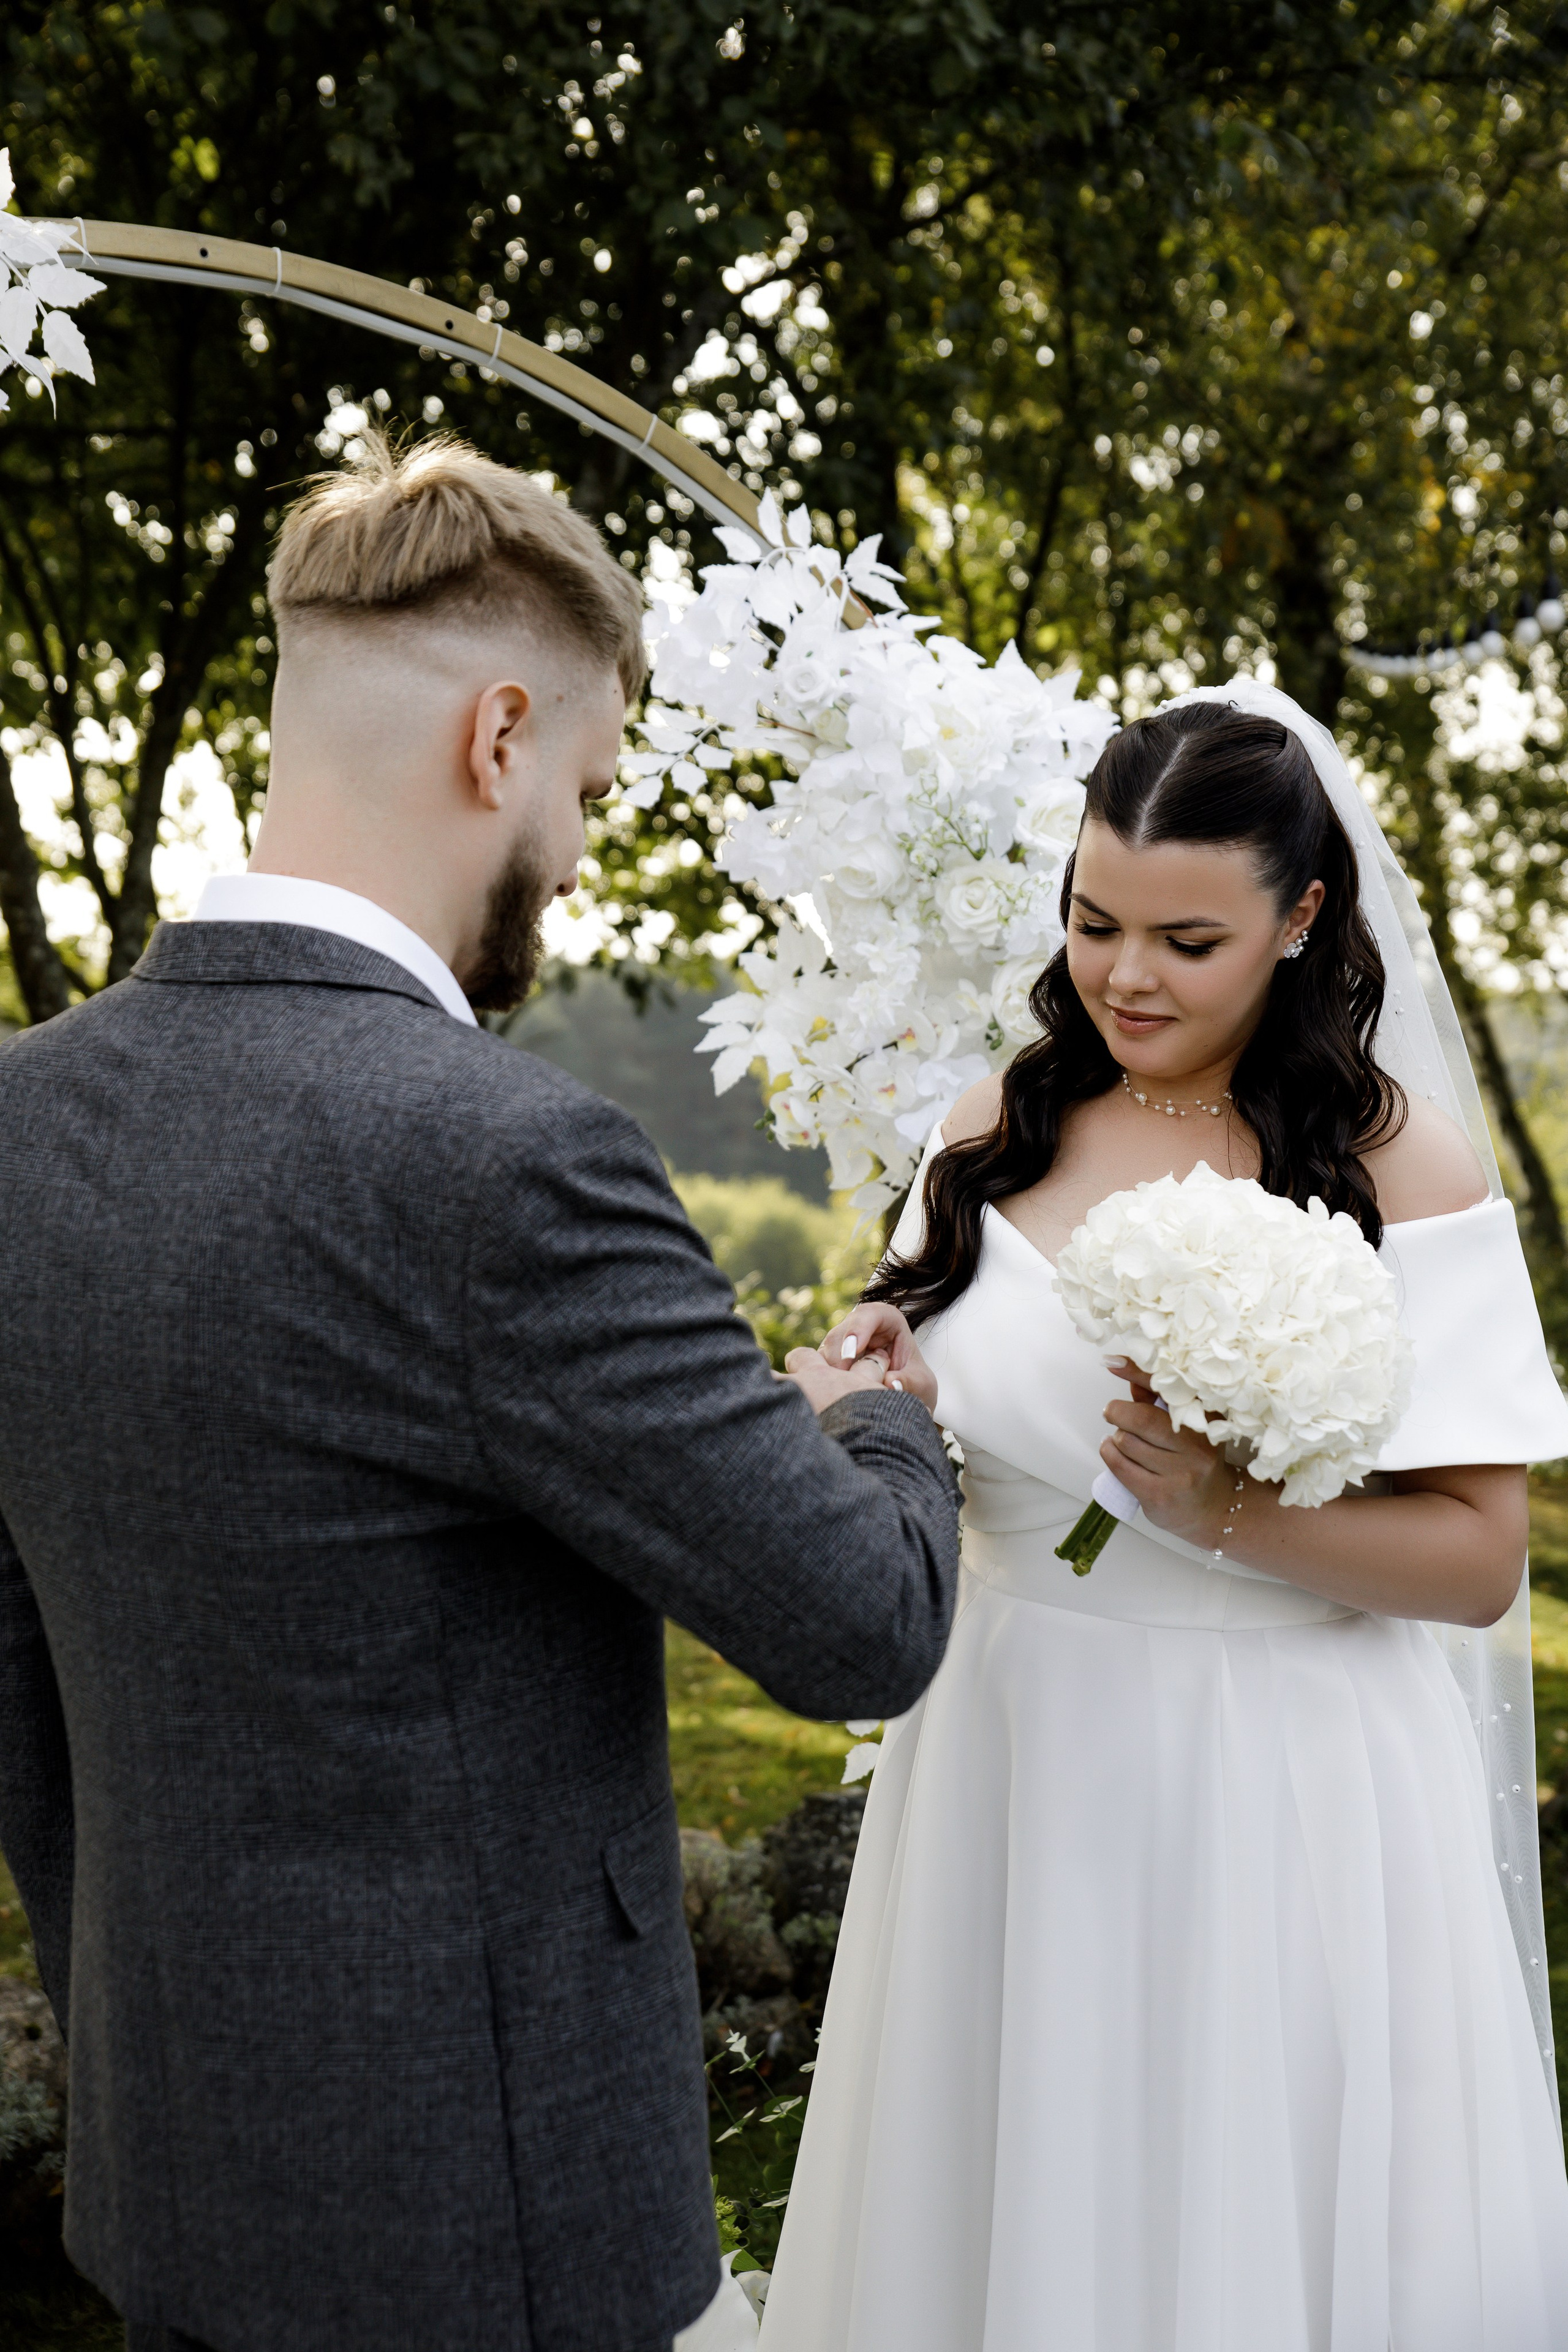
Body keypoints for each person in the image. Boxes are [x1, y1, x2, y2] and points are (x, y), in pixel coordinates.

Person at [0, 432, 960, 2352]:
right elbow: (862, 1621)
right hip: (486, 2225)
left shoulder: (17, 1120)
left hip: (170, 2181)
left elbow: (21, 1682)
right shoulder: (511, 1166)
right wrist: (870, 1423)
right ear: (500, 737)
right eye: (594, 792)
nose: (583, 852)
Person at [758, 685, 1568, 2351]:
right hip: (1010, 1752)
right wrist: (876, 1384)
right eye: (1094, 919)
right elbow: (948, 1397)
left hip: (1276, 1774)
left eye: (1188, 939)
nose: (1125, 976)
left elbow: (1483, 1560)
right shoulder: (999, 1127)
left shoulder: (1397, 1167)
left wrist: (1228, 1514)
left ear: (1304, 917)